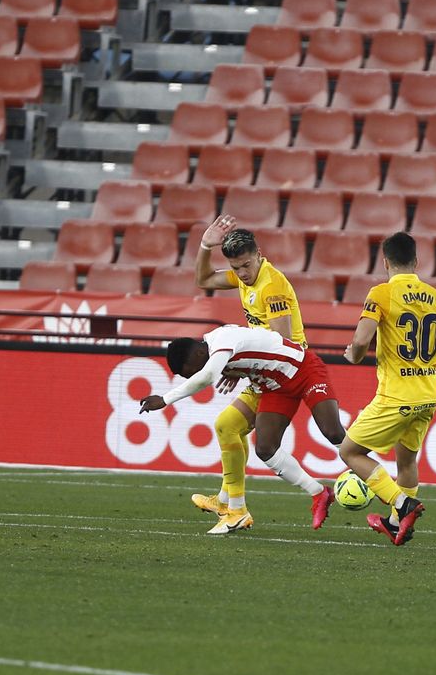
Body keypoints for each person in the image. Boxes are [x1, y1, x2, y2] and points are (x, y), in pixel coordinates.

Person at [139, 325, 347, 532]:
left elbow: (208, 376)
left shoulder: (221, 342)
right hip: (274, 386)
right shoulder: (216, 348)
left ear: (201, 353)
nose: (197, 373)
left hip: (303, 370)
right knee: (264, 448)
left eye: (193, 370)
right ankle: (318, 493)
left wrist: (165, 399)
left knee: (333, 432)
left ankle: (372, 475)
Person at [337, 232, 436, 546]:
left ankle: (401, 504)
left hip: (396, 395)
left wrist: (355, 355)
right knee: (406, 461)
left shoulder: (381, 293)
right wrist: (431, 369)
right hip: (429, 394)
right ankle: (395, 525)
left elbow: (362, 340)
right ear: (416, 262)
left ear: (385, 261)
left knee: (349, 451)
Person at [189, 216, 307, 534]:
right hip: (264, 368)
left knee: (227, 426)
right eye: (236, 268)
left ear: (259, 255)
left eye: (245, 265)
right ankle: (228, 500)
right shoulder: (245, 279)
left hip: (283, 372)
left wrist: (241, 368)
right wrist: (204, 245)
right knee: (233, 430)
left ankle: (236, 509)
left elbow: (280, 346)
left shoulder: (272, 286)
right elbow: (204, 280)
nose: (242, 273)